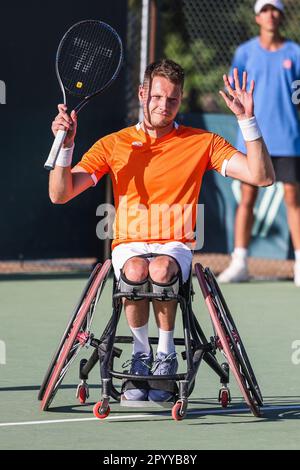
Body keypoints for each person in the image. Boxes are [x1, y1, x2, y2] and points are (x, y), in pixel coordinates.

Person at [49, 59, 274, 402]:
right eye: (156, 97)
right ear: (143, 94)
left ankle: (166, 356)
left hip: (175, 246)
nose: (163, 106)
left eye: (171, 100)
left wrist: (247, 120)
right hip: (129, 244)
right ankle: (142, 355)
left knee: (160, 268)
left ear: (180, 101)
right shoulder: (114, 144)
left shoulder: (203, 142)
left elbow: (262, 176)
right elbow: (60, 193)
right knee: (138, 269)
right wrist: (66, 144)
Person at [218, 0, 300, 286]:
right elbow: (233, 87)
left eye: (275, 9)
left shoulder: (296, 53)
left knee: (293, 199)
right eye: (265, 10)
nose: (270, 15)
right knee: (247, 199)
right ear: (257, 17)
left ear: (281, 16)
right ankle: (239, 261)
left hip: (288, 139)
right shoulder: (244, 52)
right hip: (253, 138)